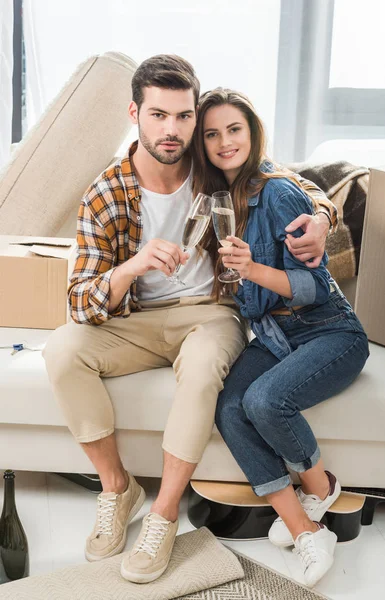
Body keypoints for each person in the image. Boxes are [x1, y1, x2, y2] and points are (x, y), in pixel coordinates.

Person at [43, 56, 336, 584]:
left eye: (183, 116)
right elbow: (81, 302)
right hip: (136, 320)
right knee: (62, 351)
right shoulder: (107, 192)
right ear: (135, 112)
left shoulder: (212, 164)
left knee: (203, 370)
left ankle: (163, 514)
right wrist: (134, 265)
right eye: (159, 115)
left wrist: (319, 218)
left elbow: (293, 182)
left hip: (209, 315)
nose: (172, 130)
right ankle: (117, 488)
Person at [192, 88, 369, 588]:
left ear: (252, 132)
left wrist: (251, 268)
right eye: (212, 134)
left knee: (267, 400)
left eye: (234, 130)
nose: (225, 142)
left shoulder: (278, 193)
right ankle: (306, 529)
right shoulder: (217, 199)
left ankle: (320, 484)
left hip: (328, 330)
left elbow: (313, 289)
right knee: (229, 407)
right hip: (273, 333)